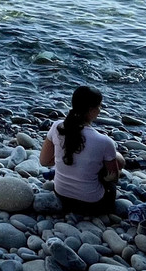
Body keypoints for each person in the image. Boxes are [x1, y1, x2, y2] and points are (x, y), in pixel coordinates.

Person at [40, 86, 125, 215]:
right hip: (93, 204)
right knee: (119, 160)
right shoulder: (104, 141)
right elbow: (114, 179)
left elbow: (44, 161)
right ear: (91, 110)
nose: (100, 110)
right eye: (99, 106)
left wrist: (63, 160)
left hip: (61, 195)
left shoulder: (56, 127)